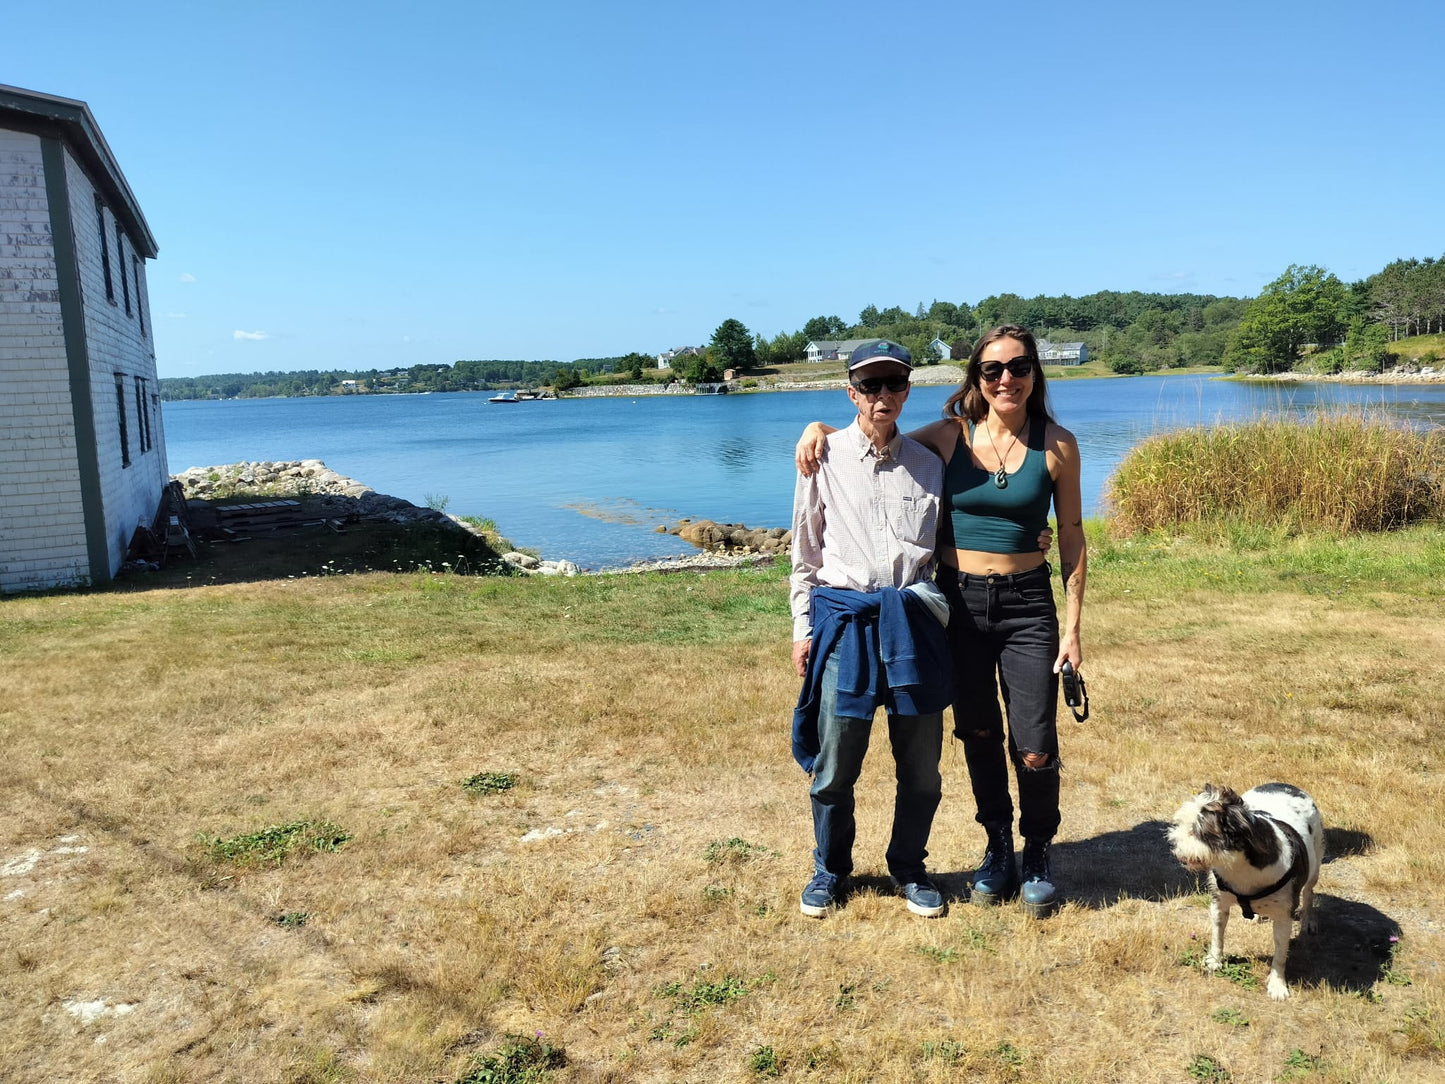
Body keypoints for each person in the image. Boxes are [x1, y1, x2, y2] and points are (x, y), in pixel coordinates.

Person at [795, 325, 1086, 918]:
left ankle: (1020, 854)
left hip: (995, 608)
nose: (1006, 378)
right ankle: (979, 852)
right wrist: (816, 428)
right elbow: (813, 539)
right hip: (908, 611)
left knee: (1002, 751)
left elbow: (1064, 532)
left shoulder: (1026, 447)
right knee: (948, 737)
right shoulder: (920, 444)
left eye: (1019, 367)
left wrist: (1072, 621)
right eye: (992, 370)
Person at [790, 339, 954, 919]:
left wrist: (1035, 537)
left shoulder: (930, 464)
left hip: (912, 625)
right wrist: (801, 629)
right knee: (836, 765)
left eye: (894, 385)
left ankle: (909, 866)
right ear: (851, 392)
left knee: (922, 768)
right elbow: (805, 556)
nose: (883, 396)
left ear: (908, 390)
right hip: (847, 626)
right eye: (871, 386)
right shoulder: (822, 457)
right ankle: (830, 868)